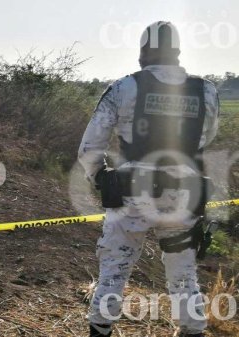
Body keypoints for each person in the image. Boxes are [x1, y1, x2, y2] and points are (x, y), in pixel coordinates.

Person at [78, 21, 219, 337]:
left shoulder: (124, 87)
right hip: (184, 197)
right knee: (184, 276)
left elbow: (89, 147)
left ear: (143, 52)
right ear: (178, 52)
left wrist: (101, 178)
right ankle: (192, 331)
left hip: (132, 195)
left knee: (114, 272)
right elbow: (206, 137)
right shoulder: (207, 91)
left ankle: (100, 331)